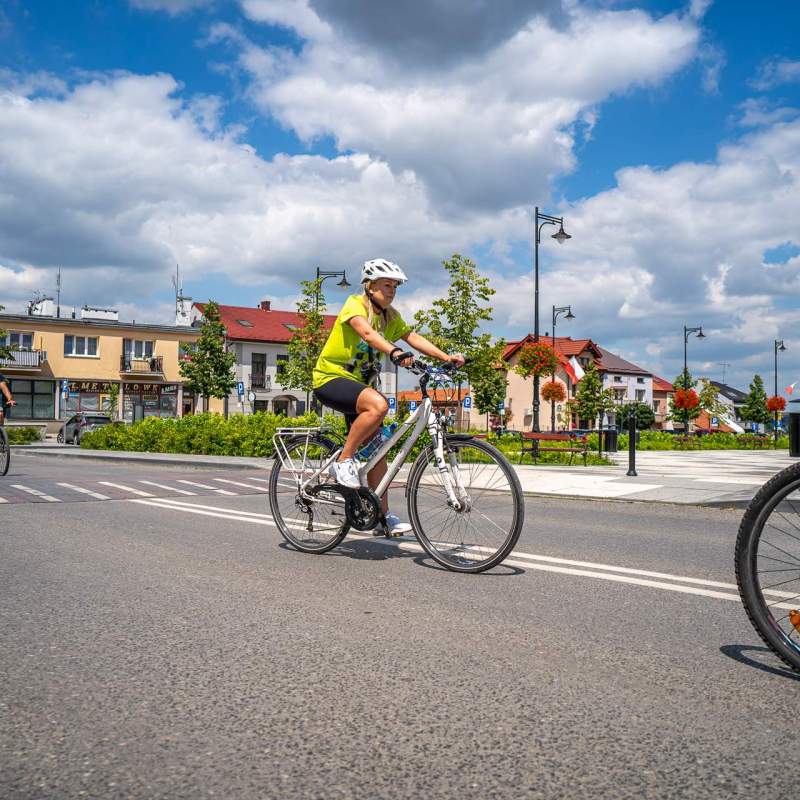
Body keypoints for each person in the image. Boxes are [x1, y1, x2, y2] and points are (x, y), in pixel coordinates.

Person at [312, 258, 465, 535]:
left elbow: (411, 336)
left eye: (395, 286)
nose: (392, 291)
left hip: (359, 386)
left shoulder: (390, 317)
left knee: (377, 451)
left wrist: (446, 357)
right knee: (379, 405)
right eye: (386, 285)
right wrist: (394, 352)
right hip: (331, 378)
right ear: (370, 286)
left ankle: (382, 517)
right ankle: (343, 462)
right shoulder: (354, 305)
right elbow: (368, 334)